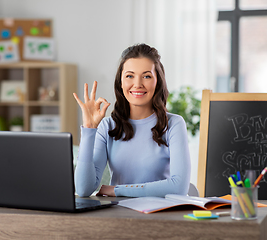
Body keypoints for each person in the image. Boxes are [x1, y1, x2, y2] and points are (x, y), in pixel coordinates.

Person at [73, 43, 191, 197]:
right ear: (120, 82)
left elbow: (179, 187)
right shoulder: (107, 126)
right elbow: (83, 189)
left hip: (160, 216)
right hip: (119, 216)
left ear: (158, 82)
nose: (137, 84)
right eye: (130, 76)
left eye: (147, 76)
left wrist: (117, 190)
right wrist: (89, 129)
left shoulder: (174, 124)